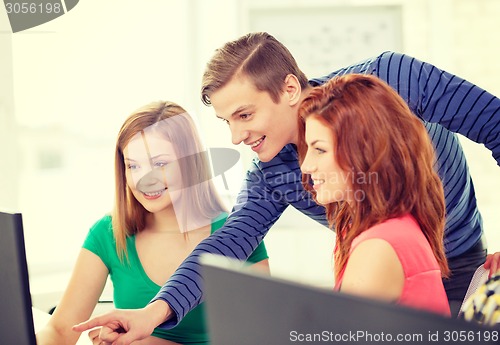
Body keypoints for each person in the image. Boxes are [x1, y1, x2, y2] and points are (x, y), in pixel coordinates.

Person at [74, 32, 500, 344]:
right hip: (385, 265)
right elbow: (227, 243)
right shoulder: (270, 170)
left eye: (244, 114)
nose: (236, 137)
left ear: (290, 88)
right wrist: (154, 312)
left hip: (459, 257)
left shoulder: (391, 80)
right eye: (226, 121)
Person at [36, 101, 269, 345]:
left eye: (160, 164)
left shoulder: (238, 234)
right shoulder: (108, 233)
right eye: (133, 166)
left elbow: (263, 336)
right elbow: (60, 331)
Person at [299, 73, 450, 315]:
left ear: (364, 153)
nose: (306, 166)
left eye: (319, 149)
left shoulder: (378, 247)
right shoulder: (374, 226)